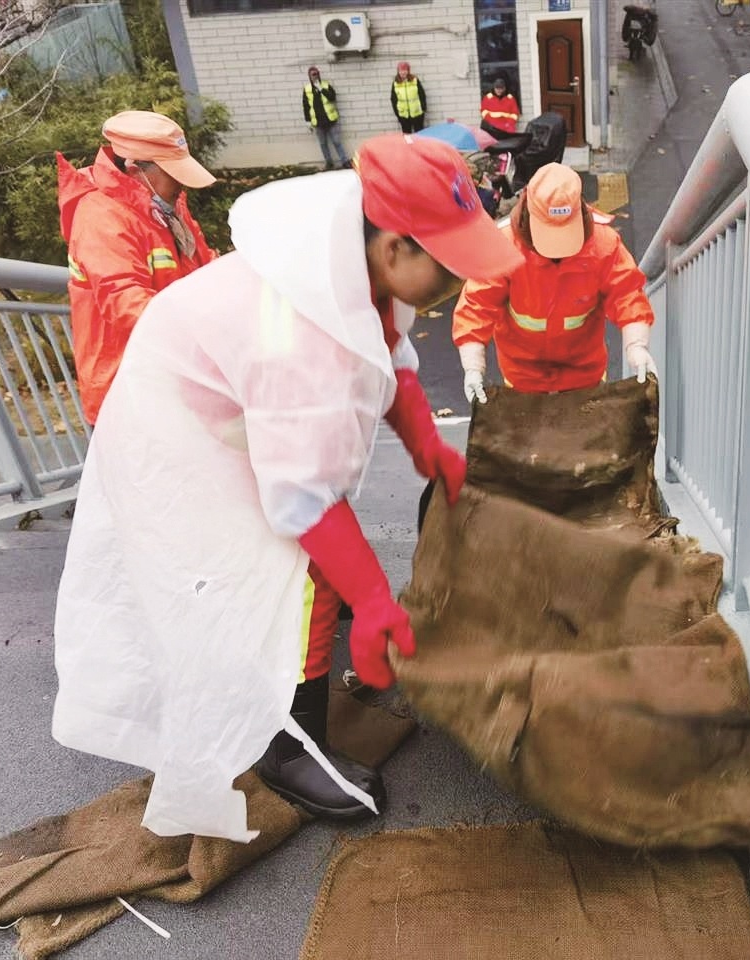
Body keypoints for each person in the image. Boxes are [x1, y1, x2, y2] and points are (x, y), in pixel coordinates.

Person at [52, 134, 525, 842]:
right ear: (398, 249)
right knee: (303, 572)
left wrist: (427, 443)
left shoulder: (354, 249)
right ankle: (287, 746)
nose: (458, 284)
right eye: (452, 269)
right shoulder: (294, 335)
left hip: (232, 393)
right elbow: (303, 498)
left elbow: (388, 354)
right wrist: (373, 601)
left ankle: (307, 641)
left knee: (320, 565)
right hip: (186, 429)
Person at [56, 110, 216, 425]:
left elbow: (206, 269)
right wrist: (203, 329)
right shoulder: (102, 216)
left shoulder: (167, 208)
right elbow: (124, 300)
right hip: (127, 392)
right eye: (173, 172)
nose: (181, 183)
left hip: (171, 379)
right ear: (135, 169)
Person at [452, 162, 655, 403]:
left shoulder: (603, 246)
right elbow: (477, 306)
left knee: (587, 427)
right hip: (522, 376)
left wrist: (636, 346)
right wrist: (473, 367)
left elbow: (627, 294)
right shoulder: (503, 248)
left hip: (584, 373)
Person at [303, 65, 350, 169]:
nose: (315, 76)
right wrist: (307, 121)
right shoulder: (307, 89)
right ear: (309, 76)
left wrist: (321, 89)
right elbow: (306, 106)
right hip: (317, 122)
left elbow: (332, 97)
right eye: (313, 74)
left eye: (316, 74)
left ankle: (344, 161)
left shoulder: (326, 85)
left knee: (337, 141)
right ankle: (329, 162)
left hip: (330, 120)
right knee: (323, 144)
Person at [390, 61, 427, 134]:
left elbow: (422, 95)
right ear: (398, 71)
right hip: (403, 115)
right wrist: (397, 113)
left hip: (417, 113)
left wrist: (423, 109)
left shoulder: (414, 80)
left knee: (420, 135)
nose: (403, 72)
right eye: (401, 70)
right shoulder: (395, 83)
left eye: (405, 70)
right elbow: (393, 99)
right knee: (407, 135)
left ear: (408, 71)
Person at [479, 76, 520, 140]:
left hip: (507, 127)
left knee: (508, 144)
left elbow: (515, 113)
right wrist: (490, 123)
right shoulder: (487, 98)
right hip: (492, 128)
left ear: (504, 88)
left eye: (501, 88)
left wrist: (509, 124)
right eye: (497, 88)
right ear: (494, 88)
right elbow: (483, 111)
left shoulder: (510, 99)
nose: (499, 90)